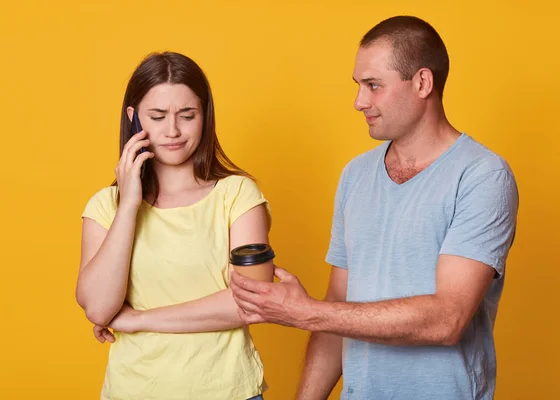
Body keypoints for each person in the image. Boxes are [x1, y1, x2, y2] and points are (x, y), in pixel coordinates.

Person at [230, 15, 519, 400]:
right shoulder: (356, 175)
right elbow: (338, 306)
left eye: (373, 86)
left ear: (421, 82)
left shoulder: (483, 176)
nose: (358, 101)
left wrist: (306, 312)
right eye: (358, 86)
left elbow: (447, 318)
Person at [76, 51, 269, 400]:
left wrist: (138, 320)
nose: (173, 130)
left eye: (187, 115)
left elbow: (249, 304)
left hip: (228, 392)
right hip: (131, 391)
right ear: (133, 118)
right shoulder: (106, 207)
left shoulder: (237, 195)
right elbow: (99, 308)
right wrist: (130, 205)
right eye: (157, 116)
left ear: (205, 116)